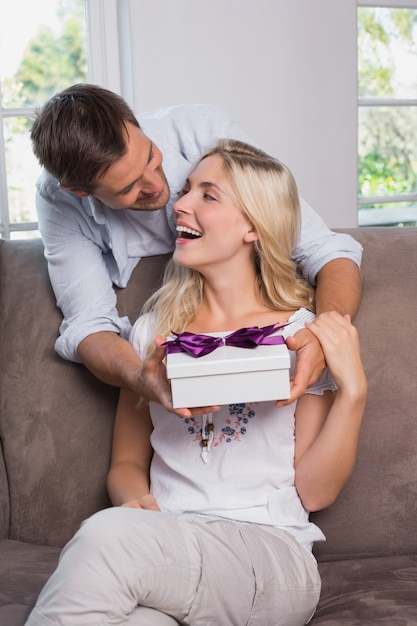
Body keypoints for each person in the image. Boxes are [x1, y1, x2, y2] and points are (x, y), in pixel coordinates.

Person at [26, 139, 367, 626]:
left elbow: (313, 493)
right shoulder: (151, 334)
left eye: (208, 195)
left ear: (254, 224)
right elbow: (126, 462)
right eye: (186, 190)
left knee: (106, 538)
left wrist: (353, 392)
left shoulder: (300, 336)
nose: (179, 204)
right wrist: (131, 502)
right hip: (169, 547)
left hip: (270, 556)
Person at [31, 83, 363, 417]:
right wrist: (141, 380)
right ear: (79, 191)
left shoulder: (203, 131)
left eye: (151, 157)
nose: (159, 187)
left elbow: (326, 251)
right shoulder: (58, 200)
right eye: (130, 187)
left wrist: (325, 338)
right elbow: (89, 326)